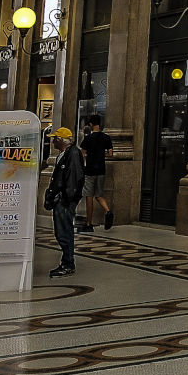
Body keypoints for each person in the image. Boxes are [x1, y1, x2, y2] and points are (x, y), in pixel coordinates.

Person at [45, 127, 85, 277]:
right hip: (62, 199)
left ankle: (68, 263)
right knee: (61, 231)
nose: (53, 141)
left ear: (60, 140)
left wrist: (67, 198)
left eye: (55, 138)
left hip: (65, 200)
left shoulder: (73, 154)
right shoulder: (65, 154)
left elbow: (74, 177)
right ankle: (67, 261)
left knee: (64, 231)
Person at [81, 115, 115, 232]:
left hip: (90, 170)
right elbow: (110, 154)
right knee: (99, 195)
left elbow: (83, 155)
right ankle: (108, 211)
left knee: (89, 196)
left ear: (91, 124)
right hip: (101, 169)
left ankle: (89, 224)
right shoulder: (106, 137)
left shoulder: (88, 138)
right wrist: (101, 156)